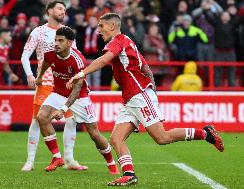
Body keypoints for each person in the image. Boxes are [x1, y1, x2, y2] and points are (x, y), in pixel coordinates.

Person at [67, 13, 224, 186]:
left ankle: (205, 133)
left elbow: (104, 60)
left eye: (101, 26)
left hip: (138, 95)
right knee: (116, 139)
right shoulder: (127, 41)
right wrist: (152, 91)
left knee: (162, 138)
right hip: (132, 97)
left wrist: (81, 73)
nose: (98, 30)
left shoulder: (117, 41)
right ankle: (129, 174)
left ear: (112, 26)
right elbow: (146, 68)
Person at [35, 26, 119, 174]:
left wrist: (63, 109)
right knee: (42, 117)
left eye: (60, 41)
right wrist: (40, 76)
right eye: (55, 40)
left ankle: (111, 164)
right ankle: (57, 158)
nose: (56, 43)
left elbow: (77, 88)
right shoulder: (49, 54)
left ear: (69, 43)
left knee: (94, 133)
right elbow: (46, 63)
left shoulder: (77, 60)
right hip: (58, 93)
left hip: (80, 97)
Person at [20, 1, 86, 172]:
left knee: (71, 120)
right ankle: (30, 161)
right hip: (46, 82)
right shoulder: (39, 31)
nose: (62, 11)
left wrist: (75, 78)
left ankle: (69, 159)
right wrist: (29, 74)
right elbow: (25, 55)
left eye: (64, 9)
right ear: (49, 10)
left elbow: (75, 56)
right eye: (59, 8)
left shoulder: (67, 33)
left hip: (65, 83)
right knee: (37, 120)